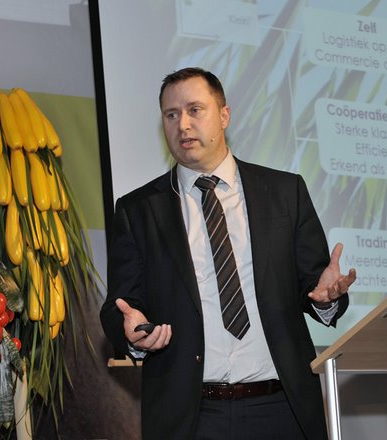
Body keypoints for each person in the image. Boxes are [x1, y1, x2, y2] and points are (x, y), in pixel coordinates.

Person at [100, 67, 356, 440]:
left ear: (224, 115)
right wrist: (132, 332)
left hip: (282, 407)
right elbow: (120, 305)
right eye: (171, 115)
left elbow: (314, 286)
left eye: (194, 110)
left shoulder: (284, 192)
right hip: (191, 416)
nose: (183, 124)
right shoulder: (138, 209)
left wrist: (327, 298)